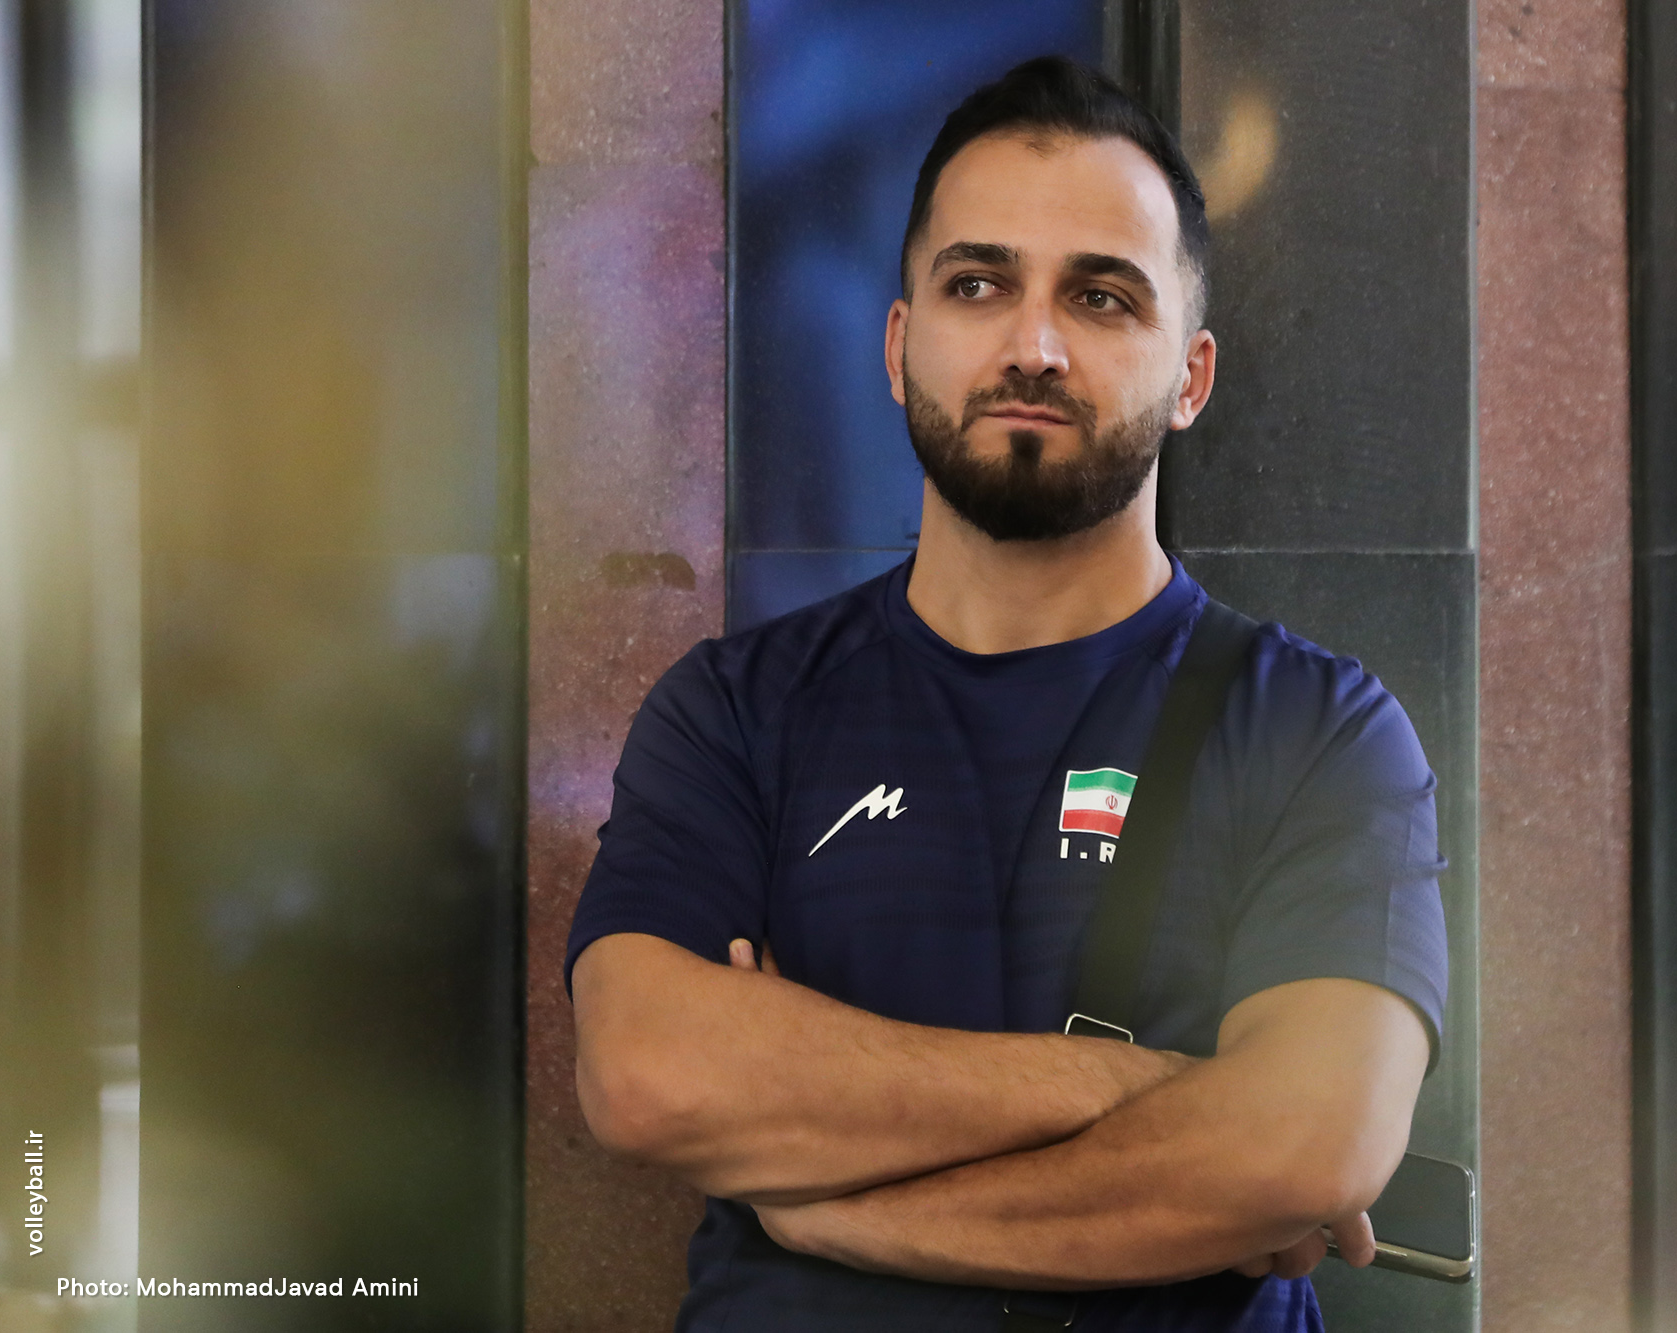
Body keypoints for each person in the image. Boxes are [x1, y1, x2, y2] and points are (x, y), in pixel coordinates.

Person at [565, 56, 1448, 1332]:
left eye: (1100, 296)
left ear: (1190, 376)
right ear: (898, 345)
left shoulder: (1317, 729)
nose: (1032, 346)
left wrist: (836, 1202)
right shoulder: (736, 711)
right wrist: (1148, 1089)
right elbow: (649, 1078)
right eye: (977, 285)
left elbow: (1306, 1147)